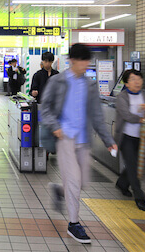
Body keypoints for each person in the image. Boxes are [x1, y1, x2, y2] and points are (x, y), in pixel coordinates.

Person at [41, 44, 117, 244]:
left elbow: (97, 116)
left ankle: (59, 190)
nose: (86, 64)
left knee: (82, 182)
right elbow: (45, 108)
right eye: (82, 60)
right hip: (65, 138)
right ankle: (74, 224)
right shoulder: (57, 81)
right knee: (74, 181)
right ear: (72, 60)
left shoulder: (90, 86)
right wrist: (55, 126)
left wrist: (109, 141)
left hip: (83, 141)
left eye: (87, 60)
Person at [114, 69, 145, 211]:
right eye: (133, 79)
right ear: (126, 83)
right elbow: (127, 116)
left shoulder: (144, 94)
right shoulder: (122, 97)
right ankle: (139, 196)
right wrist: (144, 118)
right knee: (133, 165)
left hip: (141, 136)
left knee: (134, 163)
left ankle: (122, 183)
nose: (137, 82)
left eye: (139, 79)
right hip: (126, 136)